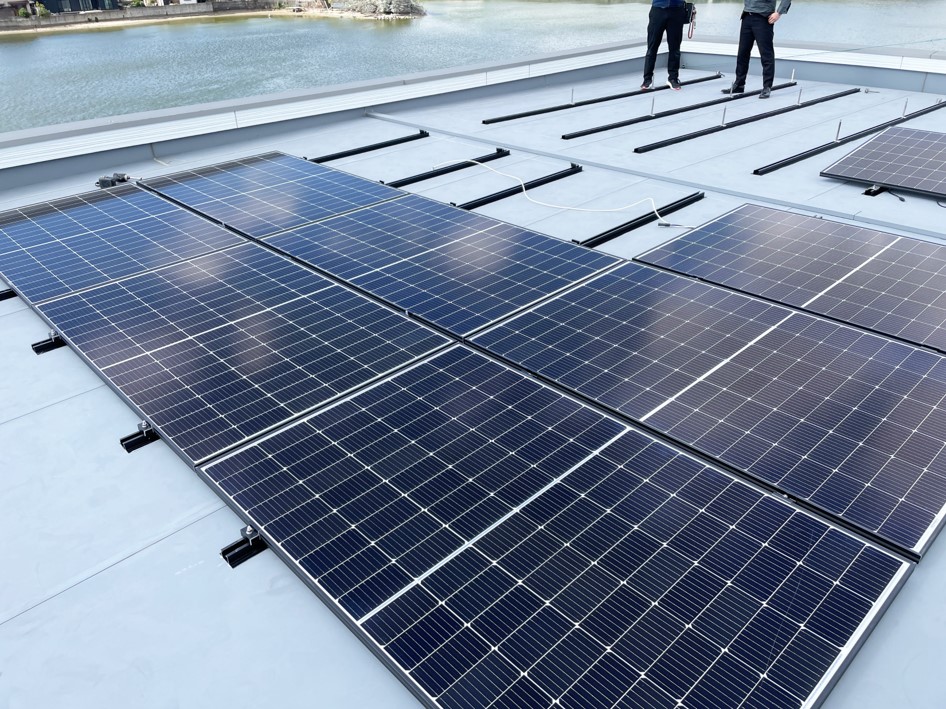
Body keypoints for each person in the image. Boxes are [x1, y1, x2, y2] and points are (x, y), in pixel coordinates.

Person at [721, 0, 792, 99]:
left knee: (766, 55)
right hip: (747, 16)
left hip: (763, 18)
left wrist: (779, 13)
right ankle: (739, 85)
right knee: (742, 53)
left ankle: (767, 87)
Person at [641, 0, 688, 91]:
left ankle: (673, 78)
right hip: (658, 10)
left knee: (675, 48)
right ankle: (647, 79)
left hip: (677, 11)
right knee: (652, 47)